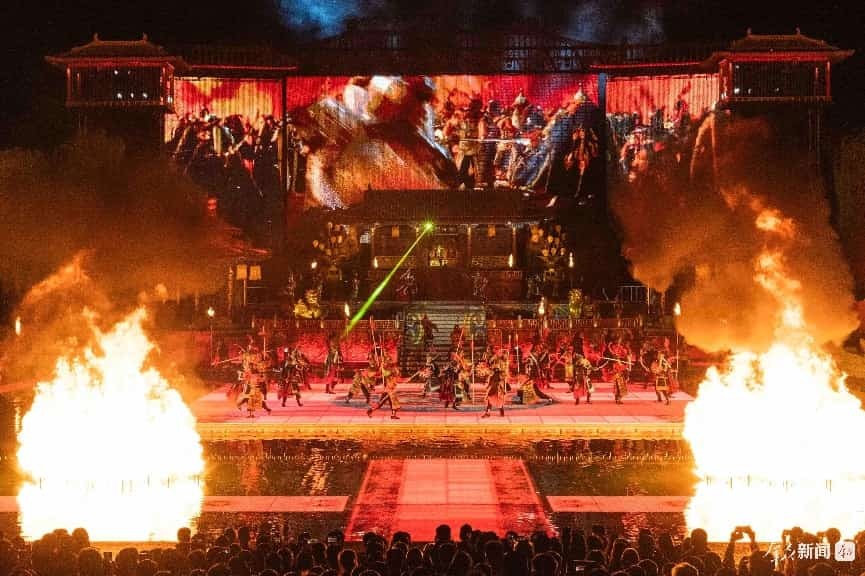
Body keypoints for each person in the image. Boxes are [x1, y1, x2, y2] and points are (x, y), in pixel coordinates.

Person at [482, 349, 507, 417]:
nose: (498, 353)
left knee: (498, 398)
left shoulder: (502, 362)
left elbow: (504, 371)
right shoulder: (494, 360)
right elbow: (490, 365)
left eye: (500, 353)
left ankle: (501, 411)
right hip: (493, 380)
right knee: (490, 397)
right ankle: (488, 412)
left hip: (498, 381)